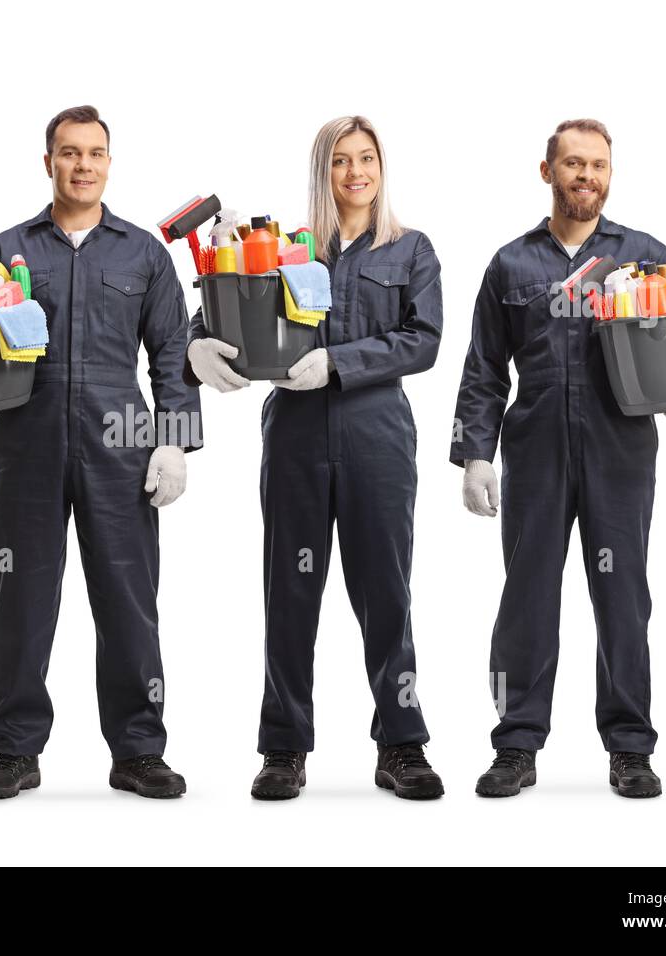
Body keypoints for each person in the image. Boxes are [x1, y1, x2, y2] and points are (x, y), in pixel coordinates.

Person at [0, 105, 202, 799]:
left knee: (130, 600)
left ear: (109, 163)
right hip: (27, 444)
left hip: (122, 447)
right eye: (69, 153)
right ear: (48, 163)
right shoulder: (5, 251)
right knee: (20, 601)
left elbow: (171, 354)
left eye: (95, 154)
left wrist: (176, 441)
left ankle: (138, 750)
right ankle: (15, 751)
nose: (82, 166)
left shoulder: (142, 254)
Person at [451, 118, 666, 799]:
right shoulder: (511, 263)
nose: (587, 176)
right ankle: (516, 744)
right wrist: (475, 454)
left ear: (610, 174)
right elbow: (485, 367)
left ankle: (630, 748)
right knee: (526, 598)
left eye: (599, 165)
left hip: (620, 448)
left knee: (622, 596)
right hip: (536, 450)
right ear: (547, 172)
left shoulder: (646, 257)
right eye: (574, 164)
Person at [187, 116, 445, 800]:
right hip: (297, 434)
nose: (355, 172)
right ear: (321, 172)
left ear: (381, 169)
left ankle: (402, 743)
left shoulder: (411, 250)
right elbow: (229, 298)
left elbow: (424, 340)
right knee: (290, 593)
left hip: (377, 433)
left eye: (366, 159)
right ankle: (283, 750)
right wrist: (194, 343)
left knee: (386, 593)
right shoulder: (285, 249)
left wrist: (339, 360)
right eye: (340, 161)